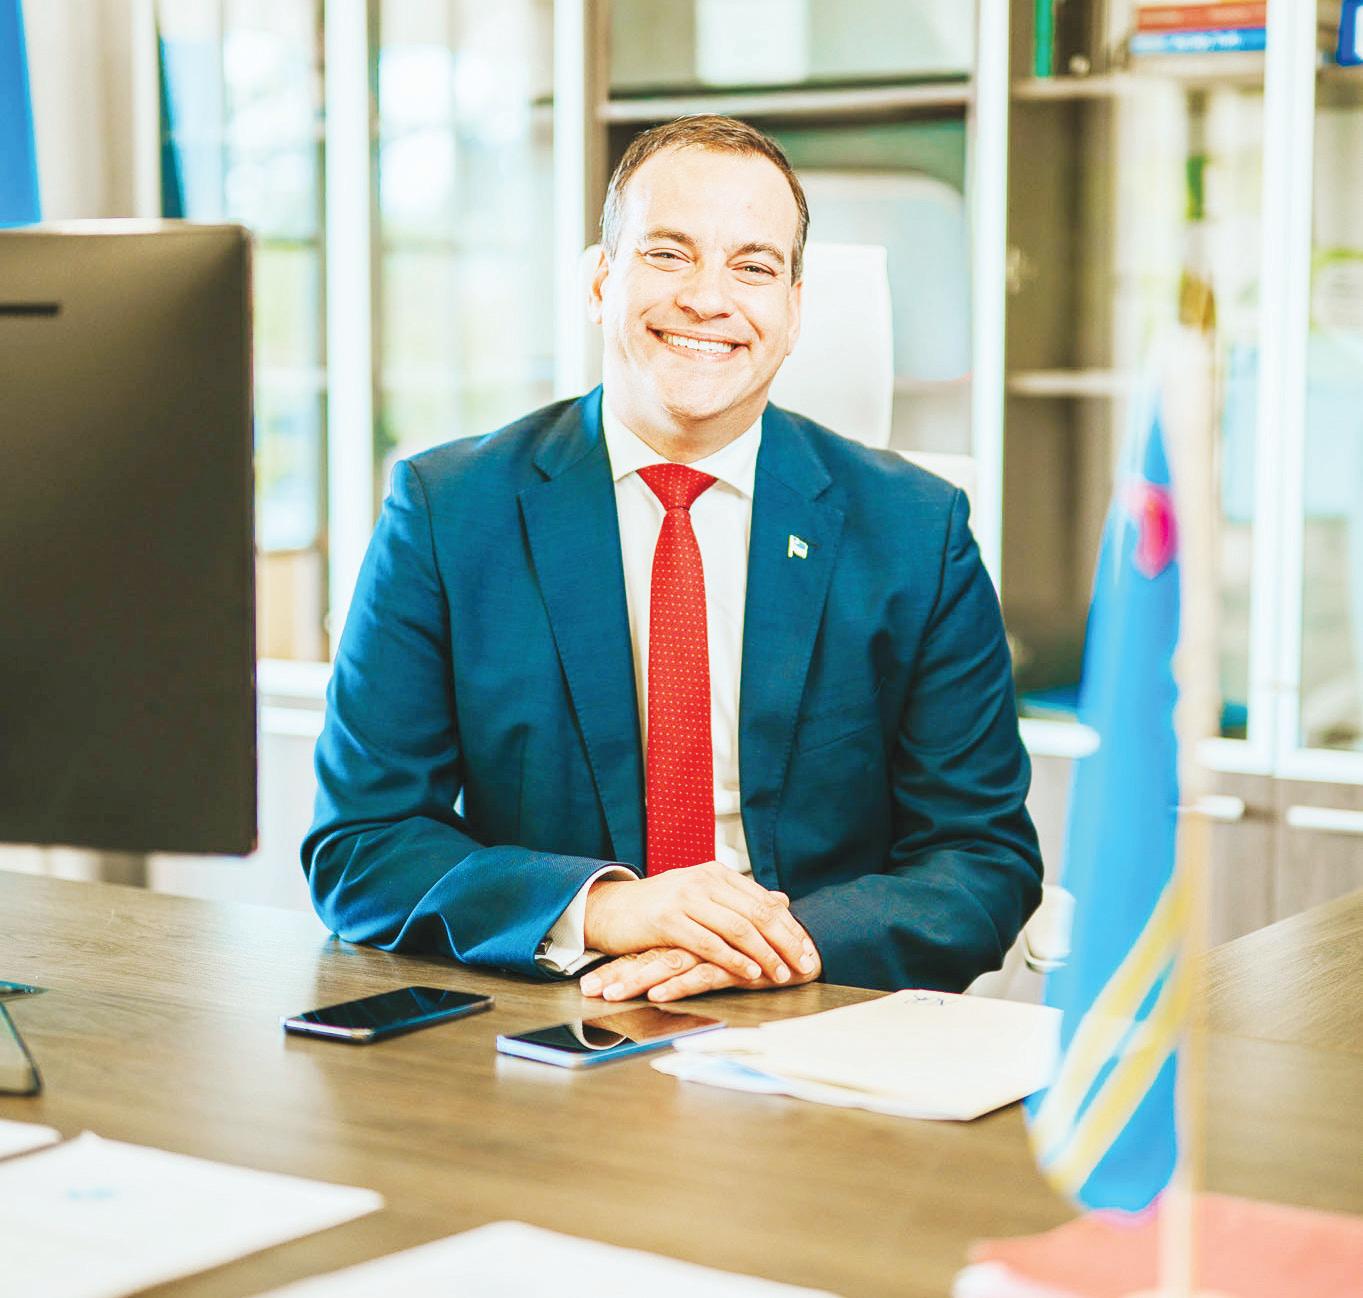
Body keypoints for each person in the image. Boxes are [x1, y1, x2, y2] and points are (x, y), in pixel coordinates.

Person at [303, 115, 1041, 1003]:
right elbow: (362, 844)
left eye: (752, 268)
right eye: (667, 254)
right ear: (599, 281)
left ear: (794, 311)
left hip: (814, 1008)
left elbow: (980, 856)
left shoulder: (916, 530)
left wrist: (768, 946)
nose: (706, 298)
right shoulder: (447, 511)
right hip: (557, 1008)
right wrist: (607, 909)